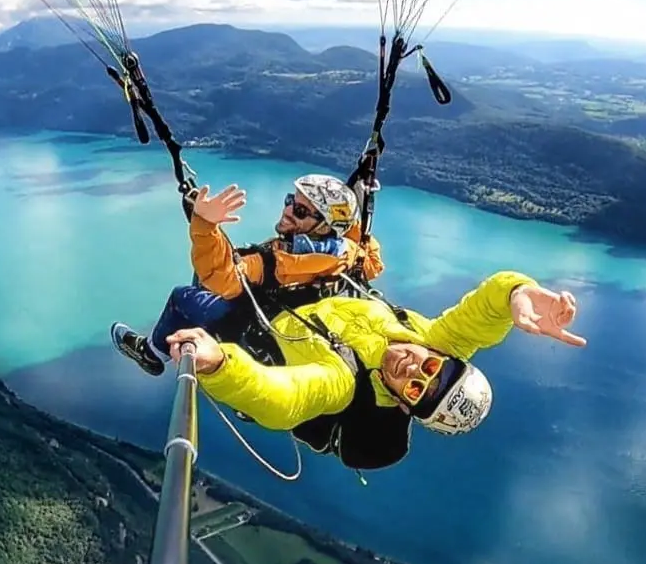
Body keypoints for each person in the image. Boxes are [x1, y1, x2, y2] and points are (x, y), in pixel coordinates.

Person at [160, 271, 586, 471]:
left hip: (258, 328)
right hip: (306, 302)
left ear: (402, 405)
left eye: (415, 388)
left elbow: (284, 399)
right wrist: (519, 293)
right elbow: (483, 311)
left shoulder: (346, 381)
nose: (413, 366)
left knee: (186, 297)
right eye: (431, 366)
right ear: (445, 356)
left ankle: (153, 349)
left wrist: (221, 364)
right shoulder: (431, 338)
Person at [112, 173, 385, 377]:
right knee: (209, 275)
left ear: (324, 227)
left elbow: (222, 277)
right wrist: (352, 213)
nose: (288, 210)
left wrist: (205, 225)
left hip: (250, 331)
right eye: (291, 201)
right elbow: (372, 264)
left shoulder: (279, 261)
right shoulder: (347, 252)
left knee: (182, 297)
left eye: (300, 211)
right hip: (285, 331)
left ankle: (152, 353)